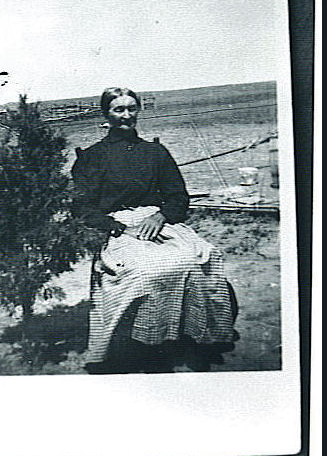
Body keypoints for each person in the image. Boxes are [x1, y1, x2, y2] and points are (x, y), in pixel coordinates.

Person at [71, 87, 236, 373]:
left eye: (131, 108)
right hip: (118, 226)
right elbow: (83, 209)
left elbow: (178, 197)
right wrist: (122, 228)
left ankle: (199, 336)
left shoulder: (155, 152)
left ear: (138, 110)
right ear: (106, 114)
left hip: (160, 221)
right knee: (148, 271)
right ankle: (148, 344)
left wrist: (160, 216)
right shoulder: (92, 157)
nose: (126, 115)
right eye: (118, 109)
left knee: (197, 259)